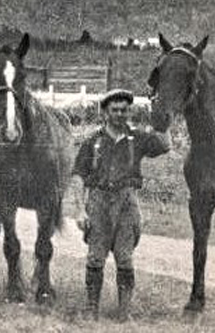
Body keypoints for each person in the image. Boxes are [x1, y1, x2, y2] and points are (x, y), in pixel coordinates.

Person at [69, 89, 170, 320]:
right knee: (95, 256)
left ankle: (124, 312)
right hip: (98, 202)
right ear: (105, 112)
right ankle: (91, 309)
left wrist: (164, 116)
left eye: (124, 110)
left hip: (127, 203)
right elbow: (77, 176)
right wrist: (79, 209)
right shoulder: (92, 141)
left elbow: (164, 145)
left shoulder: (138, 137)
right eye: (114, 110)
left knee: (125, 258)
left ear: (129, 111)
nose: (119, 114)